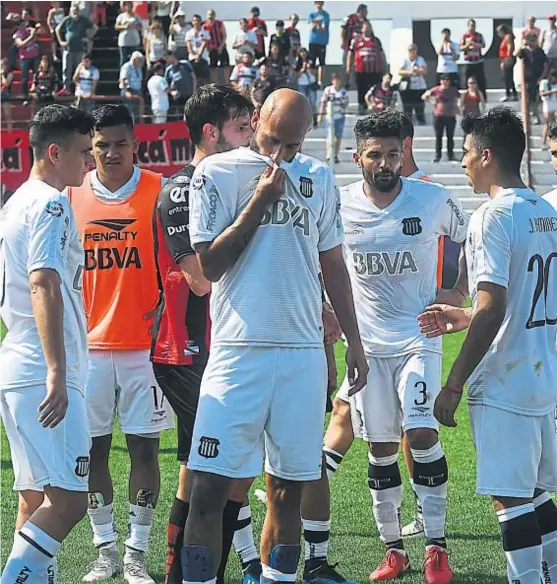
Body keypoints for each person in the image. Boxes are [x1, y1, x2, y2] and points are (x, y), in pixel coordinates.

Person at [180, 87, 368, 584]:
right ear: (255, 118)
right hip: (239, 351)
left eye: (292, 145)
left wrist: (352, 342)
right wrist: (261, 200)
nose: (279, 155)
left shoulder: (318, 178)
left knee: (288, 487)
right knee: (207, 487)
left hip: (303, 353)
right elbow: (211, 265)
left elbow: (332, 263)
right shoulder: (216, 172)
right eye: (271, 140)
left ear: (306, 137)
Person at [418, 106, 557, 584]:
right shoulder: (545, 209)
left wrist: (454, 382)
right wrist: (463, 316)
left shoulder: (491, 217)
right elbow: (519, 296)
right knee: (537, 490)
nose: (463, 163)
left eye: (466, 153)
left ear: (487, 155)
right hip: (542, 370)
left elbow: (495, 305)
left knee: (510, 495)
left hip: (506, 376)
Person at [337, 110, 468, 583]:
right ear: (358, 157)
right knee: (380, 450)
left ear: (405, 150)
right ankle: (394, 550)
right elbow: (323, 260)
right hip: (368, 347)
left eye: (394, 152)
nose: (385, 162)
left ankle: (436, 547)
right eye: (375, 154)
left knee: (421, 433)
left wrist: (457, 290)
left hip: (419, 338)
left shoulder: (431, 198)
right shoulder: (340, 204)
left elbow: (470, 238)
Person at [151, 83, 259, 584]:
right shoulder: (181, 188)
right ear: (212, 132)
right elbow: (200, 277)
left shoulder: (236, 179)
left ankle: (195, 573)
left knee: (205, 472)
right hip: (186, 349)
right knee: (217, 473)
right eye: (242, 126)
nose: (251, 136)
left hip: (228, 348)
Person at [66, 104, 172, 584]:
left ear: (136, 143)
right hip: (87, 350)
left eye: (120, 142)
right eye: (102, 144)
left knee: (145, 452)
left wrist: (166, 310)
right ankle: (104, 549)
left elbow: (178, 263)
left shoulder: (158, 191)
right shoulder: (71, 195)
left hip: (143, 353)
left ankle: (136, 552)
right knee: (92, 452)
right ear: (90, 147)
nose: (111, 152)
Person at [0, 104, 94, 584]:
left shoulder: (16, 201)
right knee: (70, 500)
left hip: (18, 364)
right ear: (54, 152)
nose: (91, 163)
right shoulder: (51, 203)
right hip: (43, 370)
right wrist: (58, 370)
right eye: (83, 152)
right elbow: (43, 283)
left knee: (35, 499)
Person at [56, 4, 97, 94]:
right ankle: (66, 88)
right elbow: (57, 29)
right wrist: (60, 42)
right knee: (66, 69)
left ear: (79, 11)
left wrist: (89, 38)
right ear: (70, 11)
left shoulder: (84, 20)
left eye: (76, 10)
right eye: (73, 10)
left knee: (79, 70)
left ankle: (78, 88)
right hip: (68, 49)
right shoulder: (67, 19)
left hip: (80, 50)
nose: (75, 12)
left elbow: (95, 28)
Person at [347, 21, 385, 115]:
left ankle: (376, 110)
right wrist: (348, 67)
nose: (367, 29)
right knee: (361, 90)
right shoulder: (356, 40)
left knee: (376, 90)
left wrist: (384, 69)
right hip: (361, 71)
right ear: (362, 29)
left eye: (369, 27)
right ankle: (362, 109)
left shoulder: (376, 41)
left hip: (374, 71)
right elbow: (350, 54)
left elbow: (381, 54)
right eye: (365, 27)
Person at [422, 74, 460, 162]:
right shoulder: (436, 89)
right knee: (438, 137)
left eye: (447, 80)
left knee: (450, 136)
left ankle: (450, 155)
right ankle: (438, 155)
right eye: (444, 80)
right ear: (441, 81)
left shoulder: (453, 90)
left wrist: (457, 107)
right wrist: (432, 102)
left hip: (450, 116)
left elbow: (460, 97)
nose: (445, 81)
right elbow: (424, 96)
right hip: (439, 116)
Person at [517, 33, 549, 126]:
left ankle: (536, 116)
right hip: (527, 79)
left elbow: (545, 65)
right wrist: (522, 44)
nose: (533, 42)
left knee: (536, 99)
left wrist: (542, 77)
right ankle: (527, 117)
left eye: (534, 40)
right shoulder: (524, 51)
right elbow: (515, 54)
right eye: (531, 40)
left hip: (537, 78)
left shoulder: (540, 51)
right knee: (527, 99)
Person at [318, 73, 349, 164]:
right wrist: (321, 114)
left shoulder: (343, 91)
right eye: (335, 80)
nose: (336, 82)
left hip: (340, 116)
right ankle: (329, 154)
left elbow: (345, 103)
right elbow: (323, 102)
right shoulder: (328, 90)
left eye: (338, 80)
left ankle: (335, 155)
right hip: (330, 116)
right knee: (329, 136)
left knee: (338, 137)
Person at [13, 8, 40, 101]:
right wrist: (31, 37)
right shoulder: (17, 35)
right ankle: (25, 95)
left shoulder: (29, 30)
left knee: (37, 74)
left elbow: (37, 34)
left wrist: (35, 31)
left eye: (23, 25)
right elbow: (21, 44)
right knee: (24, 77)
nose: (22, 27)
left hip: (34, 56)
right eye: (20, 26)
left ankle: (37, 92)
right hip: (24, 58)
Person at [398, 43, 427, 125]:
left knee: (419, 106)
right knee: (407, 107)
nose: (412, 52)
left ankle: (421, 121)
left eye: (414, 50)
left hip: (419, 87)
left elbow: (424, 71)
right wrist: (410, 71)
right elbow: (400, 71)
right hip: (408, 88)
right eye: (410, 50)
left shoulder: (420, 59)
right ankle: (407, 123)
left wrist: (417, 71)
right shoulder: (405, 60)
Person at [165, 51, 196, 120]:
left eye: (168, 58)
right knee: (180, 115)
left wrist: (194, 92)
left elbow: (193, 78)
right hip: (178, 97)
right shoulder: (168, 70)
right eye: (165, 59)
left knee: (190, 114)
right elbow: (167, 86)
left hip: (189, 94)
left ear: (172, 56)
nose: (167, 60)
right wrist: (172, 93)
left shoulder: (185, 64)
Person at [340, 3, 368, 84]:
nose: (366, 13)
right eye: (365, 11)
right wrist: (342, 41)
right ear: (360, 11)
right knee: (347, 65)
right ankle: (346, 82)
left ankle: (358, 81)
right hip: (348, 46)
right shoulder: (349, 18)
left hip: (360, 48)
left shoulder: (366, 21)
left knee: (358, 65)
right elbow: (342, 30)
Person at [460, 19, 487, 99]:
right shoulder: (464, 36)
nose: (472, 27)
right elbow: (460, 48)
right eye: (471, 26)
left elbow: (483, 45)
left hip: (478, 61)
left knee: (481, 80)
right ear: (468, 26)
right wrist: (467, 45)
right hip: (468, 62)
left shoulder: (479, 35)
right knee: (466, 81)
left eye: (474, 26)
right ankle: (467, 98)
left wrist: (475, 44)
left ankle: (483, 98)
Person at [203, 9, 230, 83]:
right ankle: (214, 84)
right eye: (209, 14)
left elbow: (224, 35)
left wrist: (221, 46)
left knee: (225, 66)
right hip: (212, 49)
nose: (210, 16)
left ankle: (227, 83)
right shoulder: (204, 26)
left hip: (221, 47)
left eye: (212, 14)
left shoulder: (219, 23)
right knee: (213, 67)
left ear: (214, 15)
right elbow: (204, 38)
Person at [307, 0, 330, 86]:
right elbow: (311, 27)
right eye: (317, 3)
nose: (319, 5)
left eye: (320, 3)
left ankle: (320, 81)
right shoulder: (311, 14)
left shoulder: (325, 15)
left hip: (322, 41)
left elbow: (323, 28)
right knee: (311, 62)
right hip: (313, 41)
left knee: (321, 62)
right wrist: (316, 23)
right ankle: (313, 79)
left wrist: (318, 23)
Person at [115, 1, 142, 67]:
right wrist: (124, 26)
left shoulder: (136, 16)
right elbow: (116, 27)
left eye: (129, 5)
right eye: (126, 6)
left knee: (134, 59)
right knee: (123, 59)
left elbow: (140, 26)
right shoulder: (121, 16)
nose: (128, 7)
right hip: (123, 42)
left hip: (134, 41)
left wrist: (134, 26)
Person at [119, 50, 145, 122]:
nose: (140, 61)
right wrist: (126, 91)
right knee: (129, 112)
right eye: (139, 60)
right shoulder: (127, 66)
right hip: (129, 90)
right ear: (134, 59)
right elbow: (122, 79)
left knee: (138, 113)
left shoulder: (139, 67)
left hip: (137, 91)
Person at [186, 15, 211, 86]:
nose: (196, 22)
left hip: (203, 58)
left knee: (204, 79)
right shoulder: (189, 33)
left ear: (200, 22)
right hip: (192, 59)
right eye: (194, 20)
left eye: (197, 20)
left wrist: (199, 55)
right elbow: (189, 46)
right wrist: (194, 55)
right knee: (194, 78)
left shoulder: (206, 32)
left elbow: (204, 44)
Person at [295, 48, 318, 124]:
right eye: (301, 52)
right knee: (302, 102)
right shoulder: (298, 62)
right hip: (302, 84)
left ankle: (314, 118)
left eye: (304, 52)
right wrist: (302, 69)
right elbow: (296, 75)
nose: (303, 54)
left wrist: (309, 68)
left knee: (313, 102)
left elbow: (316, 72)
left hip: (311, 83)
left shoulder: (311, 60)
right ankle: (303, 119)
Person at [497, 24, 517, 102]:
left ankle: (509, 94)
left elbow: (510, 47)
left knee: (508, 77)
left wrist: (508, 58)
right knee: (508, 77)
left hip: (508, 59)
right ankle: (512, 94)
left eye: (499, 32)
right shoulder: (505, 38)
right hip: (505, 59)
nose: (498, 34)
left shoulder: (508, 37)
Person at [540, 69, 557, 149]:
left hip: (555, 104)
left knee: (554, 125)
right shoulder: (544, 83)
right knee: (547, 125)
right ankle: (543, 143)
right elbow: (542, 93)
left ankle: (553, 143)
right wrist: (552, 92)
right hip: (547, 105)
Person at [1, 56, 13, 132]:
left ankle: (10, 132)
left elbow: (6, 84)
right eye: (2, 65)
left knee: (7, 115)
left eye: (4, 65)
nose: (3, 67)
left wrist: (2, 75)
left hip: (6, 95)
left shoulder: (10, 74)